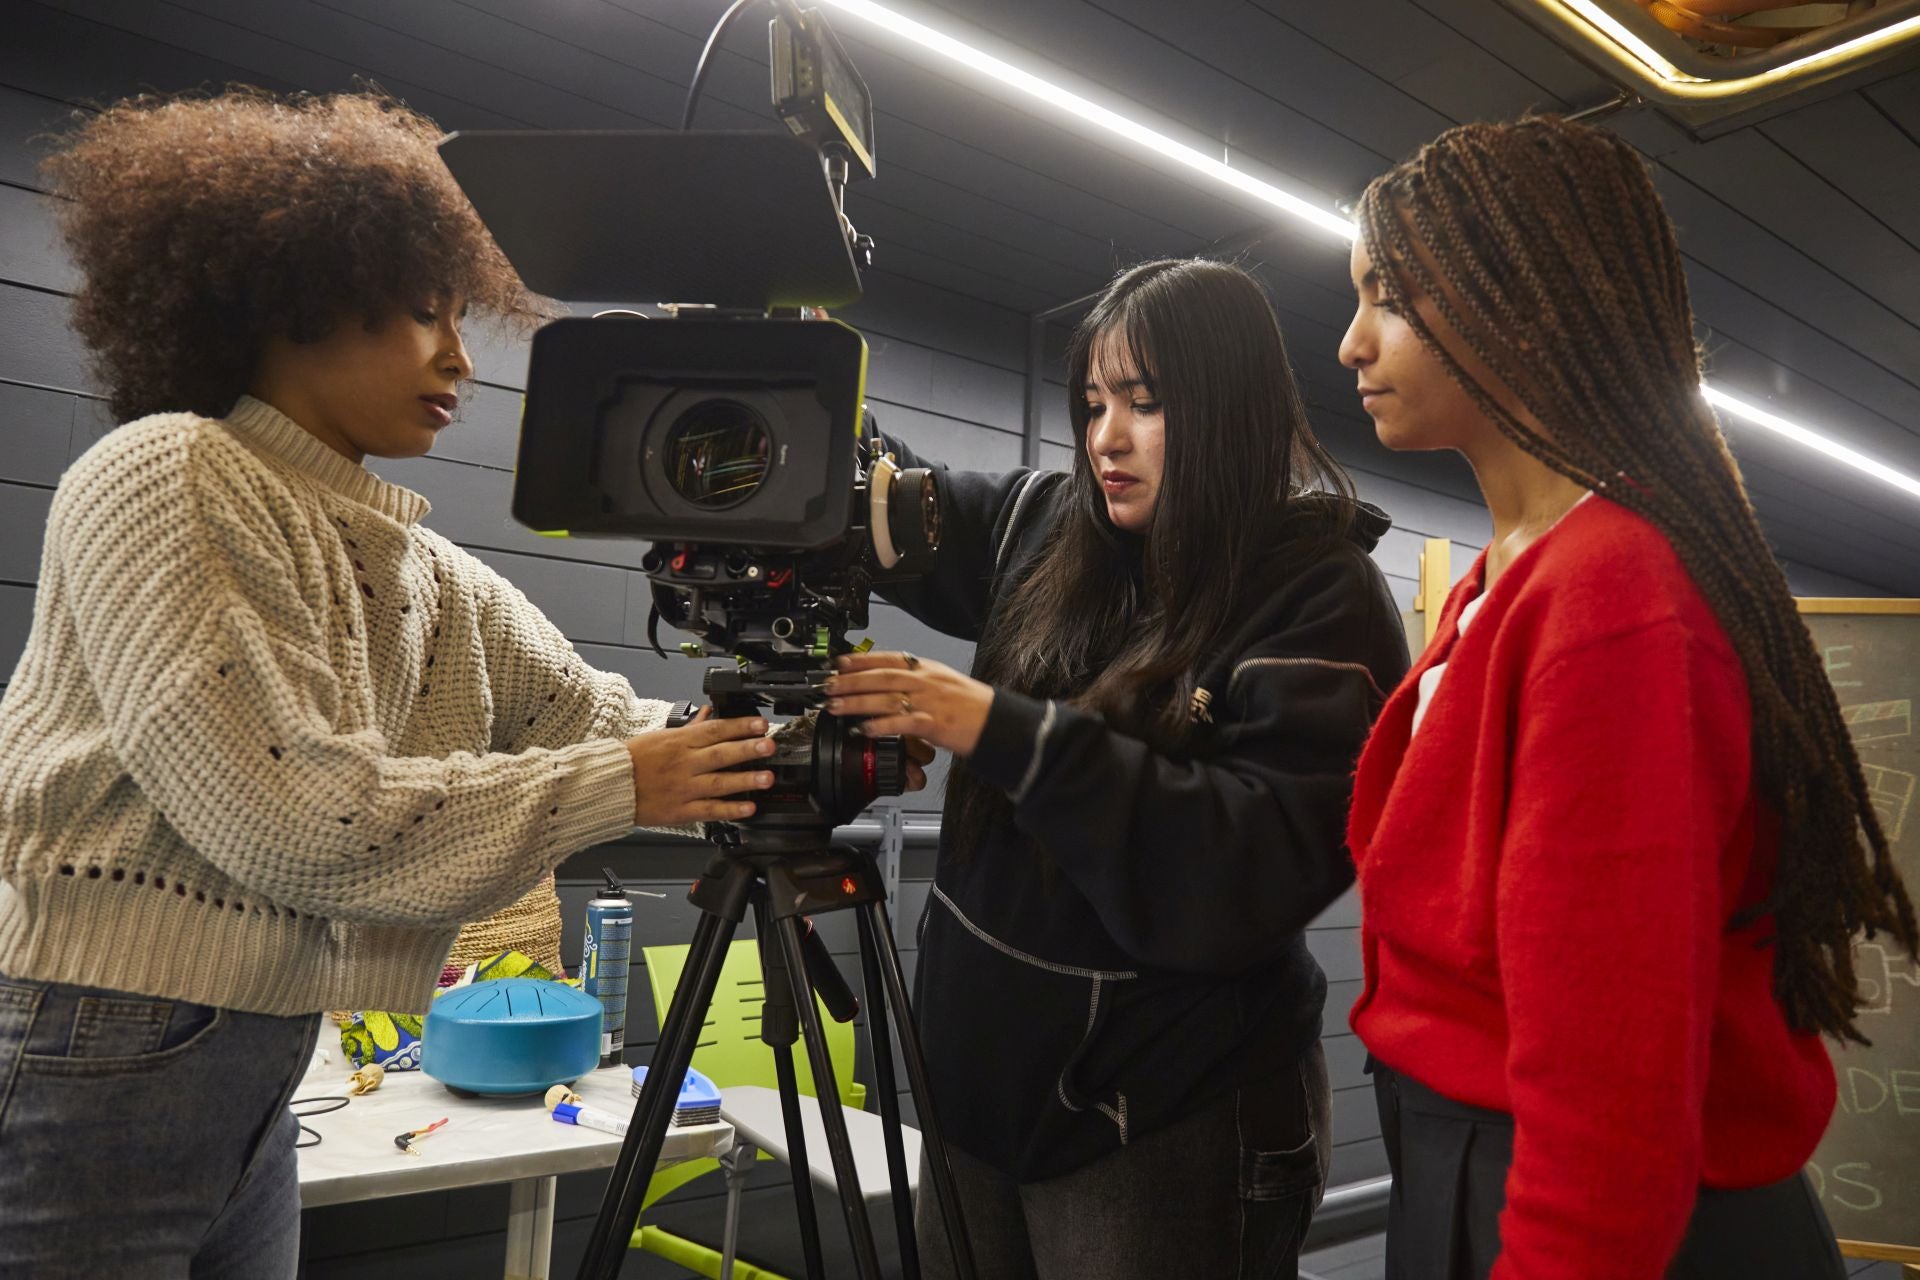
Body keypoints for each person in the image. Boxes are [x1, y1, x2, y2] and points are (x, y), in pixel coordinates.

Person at [0, 88, 786, 1277]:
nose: (460, 358)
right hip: (94, 1033)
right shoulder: (168, 473)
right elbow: (288, 808)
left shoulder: (420, 564)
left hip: (253, 1058)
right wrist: (633, 778)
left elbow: (592, 714)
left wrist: (754, 743)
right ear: (295, 294)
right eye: (425, 313)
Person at [1336, 116, 1919, 1279]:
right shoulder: (1513, 573)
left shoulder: (1610, 591)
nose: (1351, 342)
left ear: (1513, 298)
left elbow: (1610, 1092)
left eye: (1385, 297)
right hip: (1472, 1164)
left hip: (1585, 1211)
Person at [823, 257, 1410, 1279]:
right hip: (973, 1104)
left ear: (1229, 406)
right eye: (1094, 402)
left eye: (1147, 403)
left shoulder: (1320, 595)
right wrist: (803, 377)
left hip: (1162, 1118)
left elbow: (1244, 866)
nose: (1108, 438)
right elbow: (889, 502)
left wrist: (1005, 729)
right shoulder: (1051, 525)